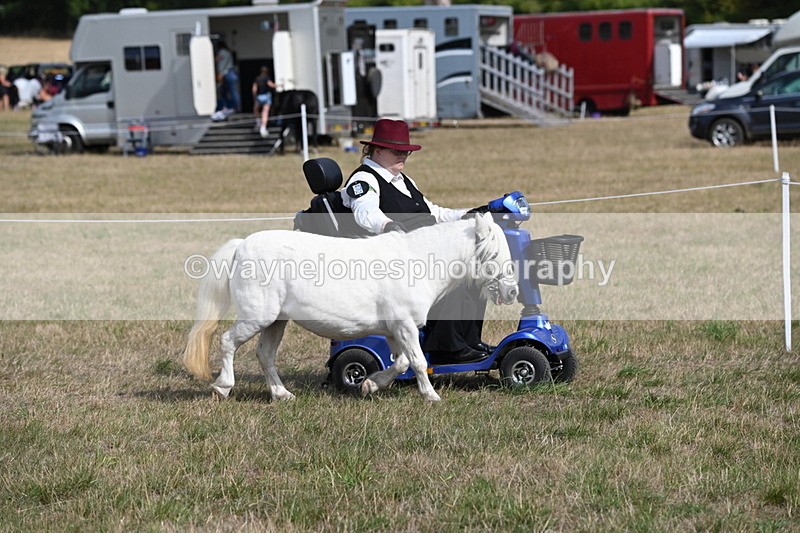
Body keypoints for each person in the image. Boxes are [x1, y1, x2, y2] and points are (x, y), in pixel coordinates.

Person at [342, 118, 493, 364]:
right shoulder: (364, 180)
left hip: (419, 253)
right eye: (397, 151)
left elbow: (432, 212)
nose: (403, 156)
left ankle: (468, 340)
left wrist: (466, 214)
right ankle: (447, 348)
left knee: (474, 273)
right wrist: (386, 225)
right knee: (456, 273)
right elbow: (365, 211)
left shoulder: (403, 180)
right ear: (377, 150)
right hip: (392, 260)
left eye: (406, 152)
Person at [215, 41, 240, 113]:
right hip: (231, 73)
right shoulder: (227, 52)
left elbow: (222, 64)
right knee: (233, 91)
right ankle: (235, 107)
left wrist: (220, 74)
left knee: (227, 92)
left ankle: (227, 107)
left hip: (227, 74)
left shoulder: (222, 52)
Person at [252, 66, 276, 138]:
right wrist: (278, 85)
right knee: (265, 112)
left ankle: (257, 121)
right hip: (266, 96)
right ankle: (263, 128)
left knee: (256, 109)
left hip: (259, 96)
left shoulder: (257, 78)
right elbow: (270, 85)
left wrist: (255, 97)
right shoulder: (266, 78)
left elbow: (254, 89)